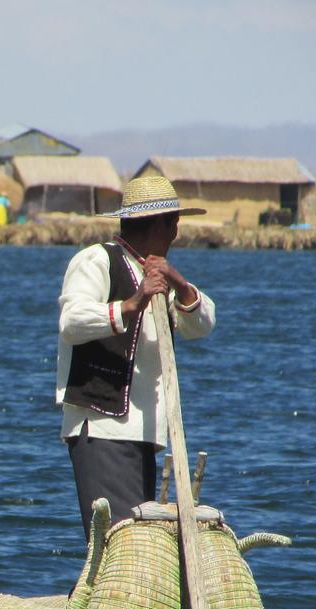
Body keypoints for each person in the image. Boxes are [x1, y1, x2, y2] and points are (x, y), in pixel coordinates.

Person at [55, 175, 216, 539]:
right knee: (121, 543)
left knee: (137, 543)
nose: (176, 233)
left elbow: (202, 324)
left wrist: (179, 283)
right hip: (102, 428)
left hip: (143, 433)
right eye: (174, 223)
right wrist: (130, 305)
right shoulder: (96, 260)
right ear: (162, 225)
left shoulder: (159, 275)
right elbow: (72, 321)